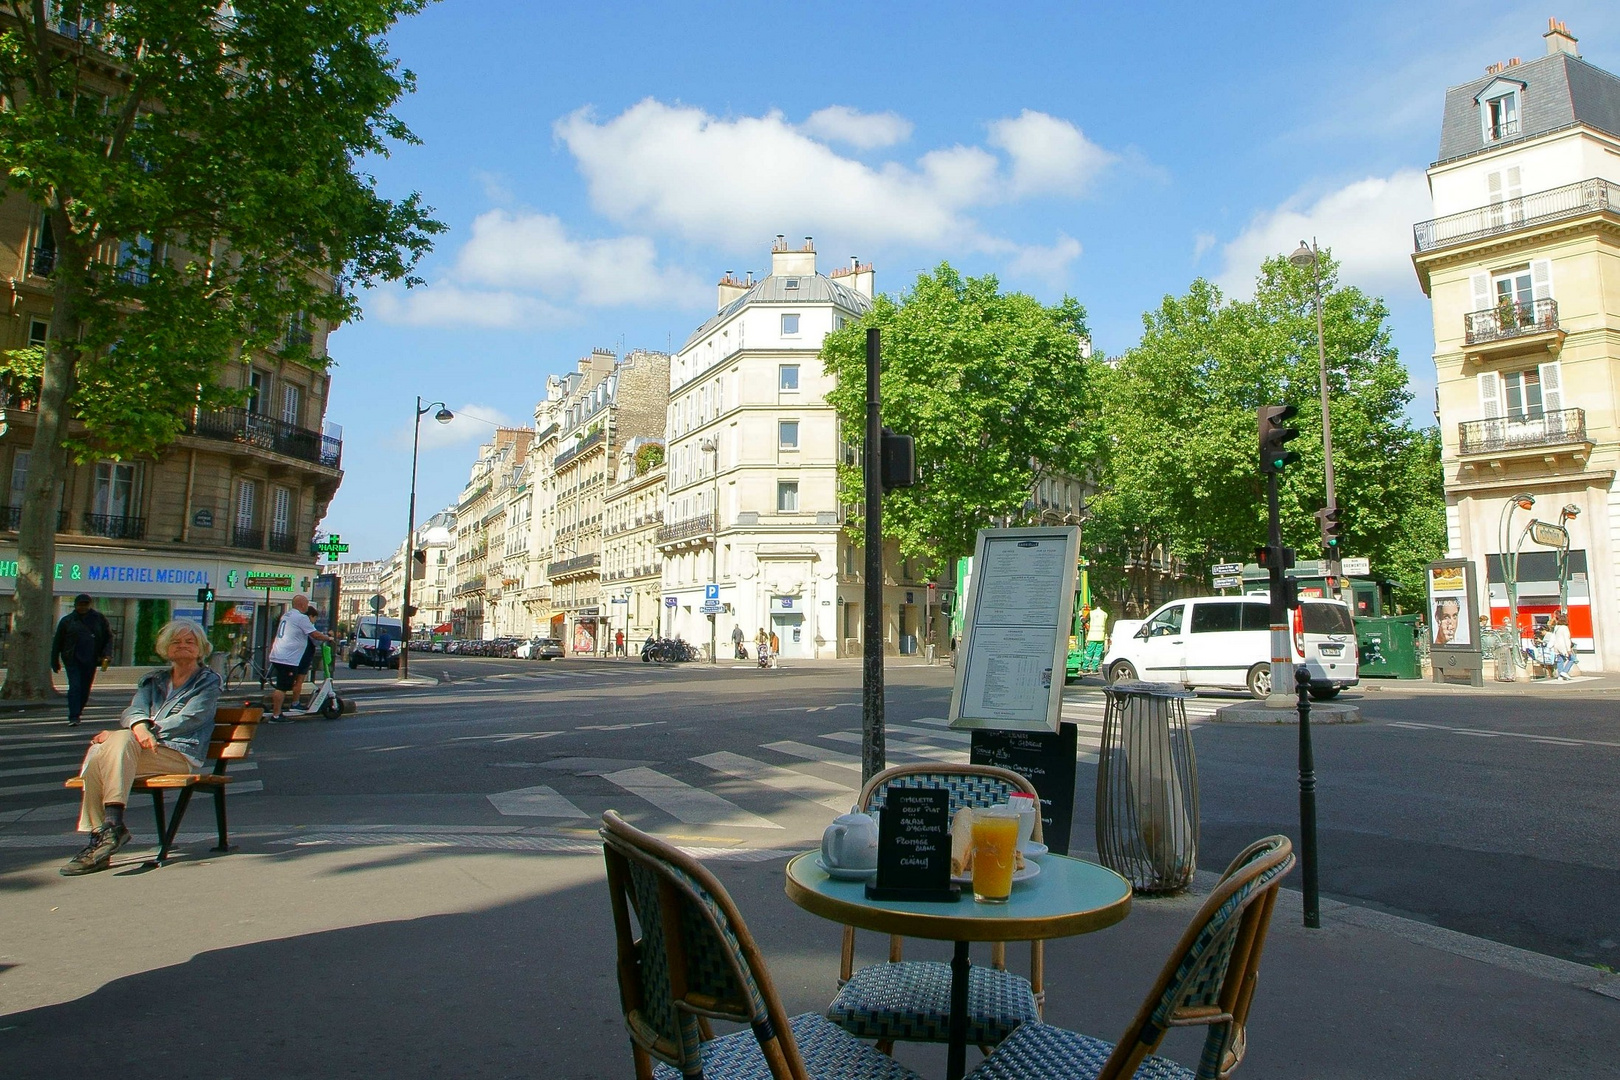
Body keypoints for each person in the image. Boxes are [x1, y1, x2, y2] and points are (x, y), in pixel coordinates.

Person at [60, 619, 221, 876]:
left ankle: (102, 836)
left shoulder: (207, 681)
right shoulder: (153, 680)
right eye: (176, 642)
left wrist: (145, 731)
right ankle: (109, 832)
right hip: (138, 751)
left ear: (201, 648)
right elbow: (134, 710)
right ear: (166, 649)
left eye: (190, 642)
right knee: (108, 748)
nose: (183, 646)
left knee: (109, 748)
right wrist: (138, 728)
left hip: (179, 752)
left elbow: (192, 718)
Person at [51, 594, 114, 726]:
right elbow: (58, 642)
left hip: (91, 659)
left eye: (85, 604)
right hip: (72, 659)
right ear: (75, 605)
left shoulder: (98, 619)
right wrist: (54, 660)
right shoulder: (67, 621)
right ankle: (73, 716)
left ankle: (78, 711)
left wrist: (106, 654)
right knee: (75, 687)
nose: (83, 607)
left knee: (85, 688)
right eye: (80, 604)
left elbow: (108, 637)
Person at [268, 595, 331, 723]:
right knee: (282, 687)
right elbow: (315, 634)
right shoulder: (301, 618)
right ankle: (276, 715)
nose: (307, 607)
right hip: (287, 658)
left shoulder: (287, 615)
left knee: (283, 685)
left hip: (280, 655)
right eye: (307, 604)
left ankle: (280, 711)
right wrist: (328, 638)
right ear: (302, 605)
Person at [288, 604, 322, 712]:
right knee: (299, 681)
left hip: (294, 656)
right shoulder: (307, 627)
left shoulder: (296, 624)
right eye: (314, 618)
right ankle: (295, 703)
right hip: (303, 657)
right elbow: (317, 640)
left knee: (291, 681)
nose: (314, 621)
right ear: (311, 616)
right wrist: (328, 636)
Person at [1083, 601, 1109, 674]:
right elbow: (1106, 626)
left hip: (1092, 636)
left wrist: (1081, 615)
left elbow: (1084, 621)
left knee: (1089, 652)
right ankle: (1094, 668)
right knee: (1097, 654)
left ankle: (1085, 667)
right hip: (1100, 637)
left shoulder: (1091, 613)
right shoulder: (1105, 614)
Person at [1550, 612, 1576, 680]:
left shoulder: (1557, 627)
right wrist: (1569, 650)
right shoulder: (1565, 628)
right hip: (1563, 647)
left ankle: (1560, 676)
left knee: (1560, 660)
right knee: (1572, 659)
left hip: (1556, 646)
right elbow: (1566, 639)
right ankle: (1564, 672)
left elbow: (1554, 637)